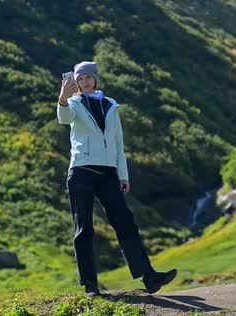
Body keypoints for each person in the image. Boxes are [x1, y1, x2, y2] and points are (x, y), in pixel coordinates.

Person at [57, 61, 177, 297]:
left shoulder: (110, 105)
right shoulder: (73, 104)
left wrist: (123, 174)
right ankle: (90, 287)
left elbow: (118, 144)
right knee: (84, 229)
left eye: (88, 77)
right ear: (76, 83)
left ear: (95, 78)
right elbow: (63, 118)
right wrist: (62, 98)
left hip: (108, 173)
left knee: (125, 223)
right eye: (80, 79)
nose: (85, 82)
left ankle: (149, 277)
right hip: (81, 171)